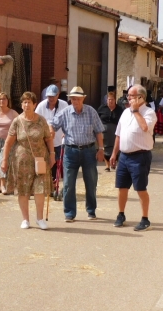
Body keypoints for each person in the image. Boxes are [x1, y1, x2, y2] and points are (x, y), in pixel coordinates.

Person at [49, 86, 105, 222]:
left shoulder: (91, 112)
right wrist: (51, 131)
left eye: (78, 99)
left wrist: (101, 149)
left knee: (91, 182)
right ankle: (69, 213)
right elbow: (52, 124)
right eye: (73, 99)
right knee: (68, 183)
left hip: (89, 151)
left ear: (83, 99)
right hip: (70, 151)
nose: (75, 101)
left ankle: (91, 211)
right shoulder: (65, 112)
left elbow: (98, 131)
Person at [1, 92, 55, 230]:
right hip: (21, 162)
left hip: (40, 161)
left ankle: (40, 218)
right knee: (23, 190)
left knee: (40, 189)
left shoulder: (41, 120)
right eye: (24, 102)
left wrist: (53, 155)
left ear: (35, 104)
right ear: (21, 105)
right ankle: (25, 219)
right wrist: (4, 160)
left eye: (29, 102)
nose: (26, 105)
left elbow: (48, 139)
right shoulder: (17, 121)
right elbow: (8, 142)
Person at [109, 84, 157, 231]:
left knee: (140, 188)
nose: (127, 98)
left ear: (141, 97)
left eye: (131, 96)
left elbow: (144, 127)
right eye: (128, 95)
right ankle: (121, 214)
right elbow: (119, 134)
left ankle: (145, 218)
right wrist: (114, 153)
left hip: (140, 156)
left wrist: (136, 111)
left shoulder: (149, 113)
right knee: (122, 187)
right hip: (124, 156)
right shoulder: (125, 112)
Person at [35, 85, 68, 184]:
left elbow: (68, 120)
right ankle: (46, 184)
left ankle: (54, 185)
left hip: (59, 140)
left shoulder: (64, 105)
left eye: (53, 96)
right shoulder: (41, 106)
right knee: (45, 163)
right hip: (45, 140)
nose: (51, 99)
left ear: (58, 95)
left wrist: (66, 133)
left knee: (57, 164)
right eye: (49, 96)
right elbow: (36, 121)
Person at [97, 92, 124, 172]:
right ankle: (107, 165)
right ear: (106, 100)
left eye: (112, 99)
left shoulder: (119, 109)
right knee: (105, 146)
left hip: (116, 130)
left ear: (115, 100)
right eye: (109, 99)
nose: (110, 101)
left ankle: (114, 162)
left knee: (115, 146)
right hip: (104, 130)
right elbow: (97, 119)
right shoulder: (102, 108)